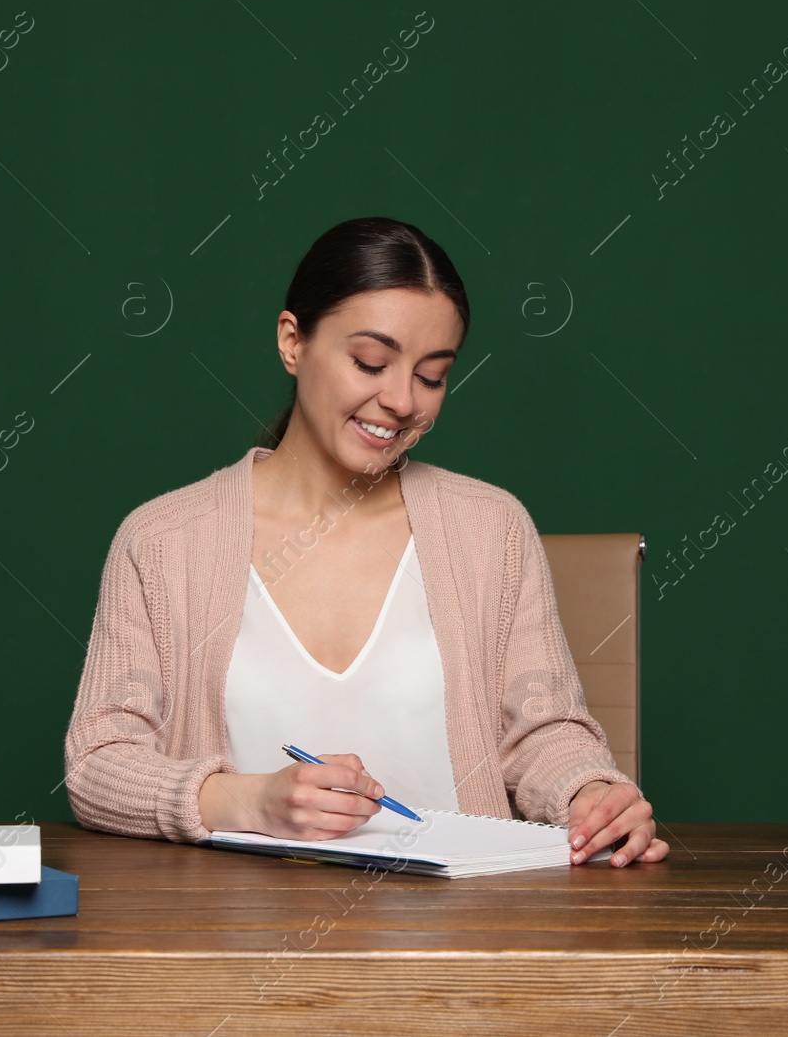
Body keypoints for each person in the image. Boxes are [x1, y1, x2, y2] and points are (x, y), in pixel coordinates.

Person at [63, 216, 667, 868]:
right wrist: (244, 800)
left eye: (432, 375)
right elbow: (98, 764)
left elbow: (543, 732)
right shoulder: (162, 542)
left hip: (466, 940)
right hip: (234, 945)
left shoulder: (493, 529)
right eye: (370, 362)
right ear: (292, 341)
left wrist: (591, 794)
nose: (402, 400)